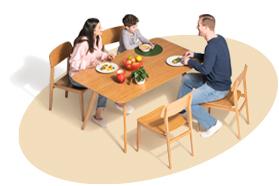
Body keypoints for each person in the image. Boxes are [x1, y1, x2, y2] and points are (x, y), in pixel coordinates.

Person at [69, 18, 133, 128]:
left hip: (90, 70)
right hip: (76, 76)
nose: (101, 29)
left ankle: (118, 101)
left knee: (115, 74)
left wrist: (106, 56)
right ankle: (97, 116)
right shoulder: (82, 44)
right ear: (92, 30)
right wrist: (89, 65)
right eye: (99, 27)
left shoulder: (97, 38)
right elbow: (73, 63)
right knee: (102, 85)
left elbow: (97, 53)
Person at [178, 14, 232, 138]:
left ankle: (212, 124)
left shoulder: (211, 47)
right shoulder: (219, 39)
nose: (197, 27)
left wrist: (189, 61)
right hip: (218, 81)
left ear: (206, 28)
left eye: (199, 25)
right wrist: (195, 55)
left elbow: (205, 69)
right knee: (186, 79)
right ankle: (180, 108)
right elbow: (211, 58)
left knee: (189, 102)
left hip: (217, 88)